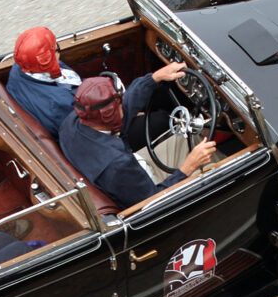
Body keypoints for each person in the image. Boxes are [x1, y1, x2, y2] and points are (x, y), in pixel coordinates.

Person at [59, 76, 217, 211]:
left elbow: (123, 115)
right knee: (215, 168)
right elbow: (153, 202)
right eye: (119, 105)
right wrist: (187, 168)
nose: (123, 107)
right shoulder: (117, 165)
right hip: (147, 193)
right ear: (109, 116)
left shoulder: (72, 123)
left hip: (130, 177)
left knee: (184, 138)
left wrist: (152, 79)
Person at [5, 26, 184, 143]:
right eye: (55, 49)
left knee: (154, 92)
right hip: (99, 134)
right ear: (48, 60)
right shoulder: (59, 105)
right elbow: (101, 125)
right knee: (162, 119)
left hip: (90, 114)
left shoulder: (20, 69)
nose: (59, 50)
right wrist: (133, 108)